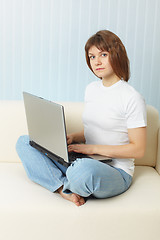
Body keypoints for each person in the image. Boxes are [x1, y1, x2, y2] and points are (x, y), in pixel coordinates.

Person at [16, 30, 147, 207]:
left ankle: (65, 179)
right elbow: (95, 129)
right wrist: (72, 138)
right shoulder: (91, 89)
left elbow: (138, 149)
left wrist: (92, 149)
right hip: (84, 160)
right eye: (92, 57)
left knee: (83, 171)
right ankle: (63, 187)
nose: (97, 62)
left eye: (103, 54)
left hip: (114, 171)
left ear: (116, 55)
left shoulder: (132, 97)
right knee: (25, 142)